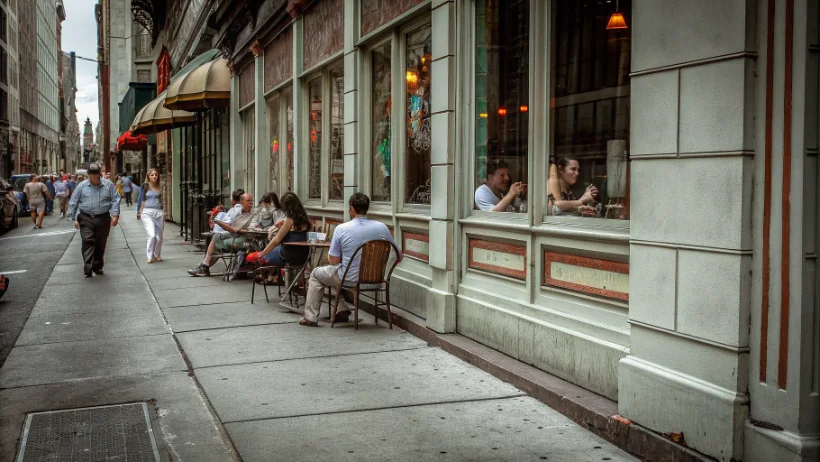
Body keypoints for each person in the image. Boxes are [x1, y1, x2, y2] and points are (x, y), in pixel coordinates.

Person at [300, 193, 402, 327]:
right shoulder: (382, 227)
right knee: (337, 272)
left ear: (352, 209)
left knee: (316, 274)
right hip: (377, 280)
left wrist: (346, 257)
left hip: (349, 278)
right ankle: (340, 308)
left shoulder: (341, 229)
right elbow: (398, 255)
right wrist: (383, 272)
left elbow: (333, 260)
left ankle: (310, 317)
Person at [67, 163, 121, 277]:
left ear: (99, 174)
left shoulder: (108, 185)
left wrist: (115, 215)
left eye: (95, 174)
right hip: (86, 217)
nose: (93, 177)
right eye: (91, 174)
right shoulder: (81, 186)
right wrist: (74, 218)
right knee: (88, 240)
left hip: (103, 218)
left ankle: (97, 266)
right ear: (88, 175)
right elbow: (73, 201)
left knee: (100, 243)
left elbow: (116, 199)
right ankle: (88, 266)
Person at [188, 193, 255, 277]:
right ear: (241, 202)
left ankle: (204, 266)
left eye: (251, 201)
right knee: (216, 237)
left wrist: (220, 223)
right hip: (234, 234)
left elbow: (251, 228)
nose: (251, 203)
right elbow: (228, 225)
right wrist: (219, 221)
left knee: (216, 244)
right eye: (248, 201)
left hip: (245, 237)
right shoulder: (236, 211)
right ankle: (204, 266)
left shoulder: (254, 213)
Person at [245, 192, 310, 270]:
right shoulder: (307, 220)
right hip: (304, 255)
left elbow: (276, 240)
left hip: (289, 255)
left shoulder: (290, 220)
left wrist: (262, 254)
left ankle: (270, 276)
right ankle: (275, 277)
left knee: (267, 255)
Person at [136, 168, 165, 264]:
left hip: (159, 212)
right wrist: (139, 212)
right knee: (152, 235)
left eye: (156, 175)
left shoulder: (161, 186)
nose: (154, 176)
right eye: (152, 175)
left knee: (159, 237)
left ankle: (157, 254)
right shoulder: (145, 186)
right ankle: (149, 256)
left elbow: (164, 199)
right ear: (148, 176)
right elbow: (142, 199)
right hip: (147, 212)